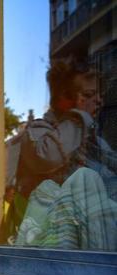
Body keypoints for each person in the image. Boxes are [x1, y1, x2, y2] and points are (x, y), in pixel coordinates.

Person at [14, 58, 117, 250]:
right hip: (47, 244)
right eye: (89, 94)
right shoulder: (38, 132)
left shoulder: (92, 139)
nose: (99, 100)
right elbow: (47, 156)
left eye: (99, 94)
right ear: (64, 99)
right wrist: (78, 117)